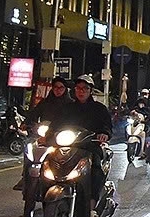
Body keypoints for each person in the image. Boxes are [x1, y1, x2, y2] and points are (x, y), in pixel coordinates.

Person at [53, 76, 113, 216]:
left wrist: (103, 133)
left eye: (85, 88)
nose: (81, 91)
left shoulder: (99, 109)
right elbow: (55, 125)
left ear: (90, 90)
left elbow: (107, 126)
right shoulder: (67, 108)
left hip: (89, 146)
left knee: (95, 169)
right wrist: (48, 135)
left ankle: (92, 204)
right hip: (67, 146)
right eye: (78, 88)